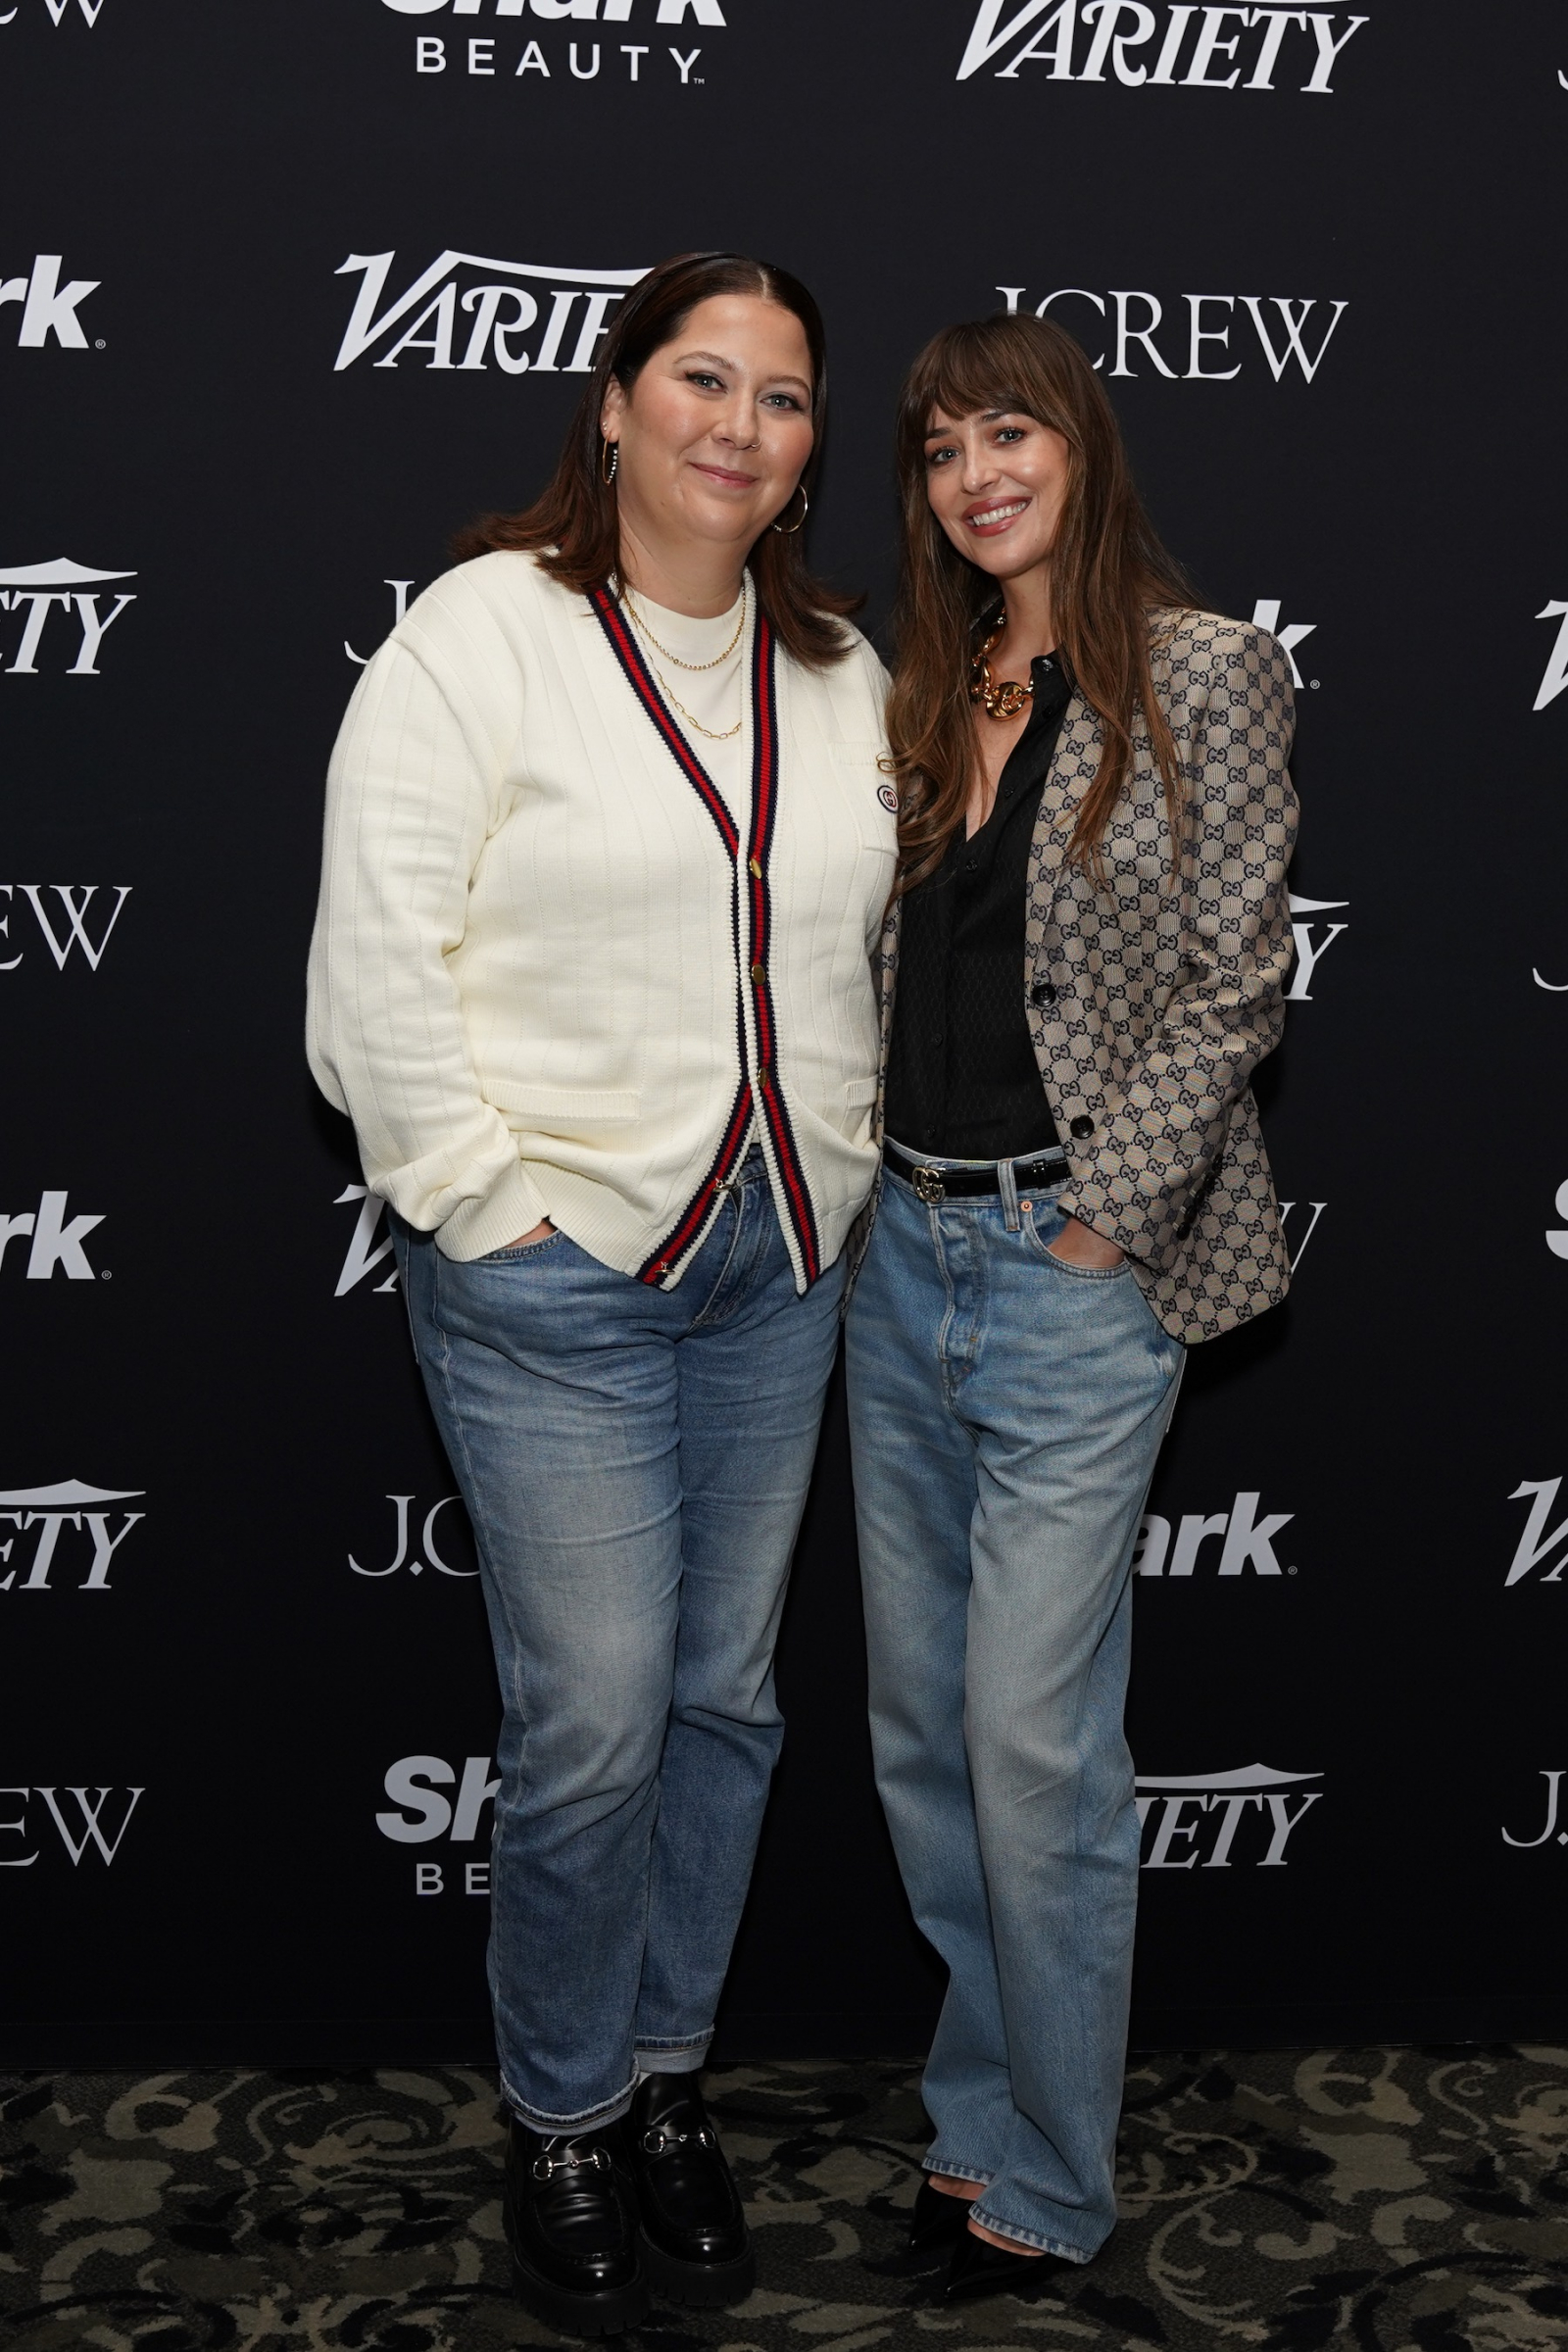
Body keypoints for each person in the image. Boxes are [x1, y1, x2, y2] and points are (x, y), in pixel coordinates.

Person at [307, 251, 894, 2338]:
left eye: (787, 394)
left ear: (815, 443)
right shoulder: (484, 637)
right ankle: (557, 2108)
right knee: (587, 1724)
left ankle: (663, 2083)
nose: (741, 424)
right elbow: (373, 967)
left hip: (780, 1260)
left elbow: (872, 962)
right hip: (557, 1267)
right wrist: (484, 1209)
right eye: (702, 379)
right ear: (618, 402)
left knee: (727, 1703)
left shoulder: (838, 670)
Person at [844, 313, 1297, 2303]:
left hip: (1063, 1271)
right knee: (928, 1743)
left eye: (1001, 428)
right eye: (937, 446)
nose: (971, 471)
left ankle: (1049, 2178)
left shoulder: (1199, 672)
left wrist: (1099, 1230)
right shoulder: (918, 687)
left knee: (1029, 1740)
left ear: (1076, 445)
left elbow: (1234, 983)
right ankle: (974, 2126)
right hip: (895, 1258)